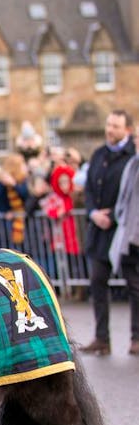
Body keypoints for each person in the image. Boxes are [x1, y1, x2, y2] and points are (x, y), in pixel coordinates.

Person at [82, 109, 136, 356]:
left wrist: (112, 215)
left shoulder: (132, 156)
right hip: (99, 230)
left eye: (115, 126)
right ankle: (102, 338)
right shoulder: (98, 154)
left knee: (134, 285)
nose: (109, 130)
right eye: (108, 124)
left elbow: (131, 195)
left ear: (127, 130)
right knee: (97, 281)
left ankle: (137, 337)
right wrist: (93, 213)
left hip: (124, 230)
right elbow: (89, 189)